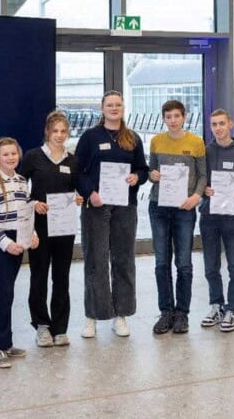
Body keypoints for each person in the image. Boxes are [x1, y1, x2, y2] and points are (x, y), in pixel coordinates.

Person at [75, 90, 148, 338]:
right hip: (96, 206)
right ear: (102, 108)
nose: (114, 108)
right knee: (95, 261)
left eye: (118, 104)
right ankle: (93, 316)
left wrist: (137, 177)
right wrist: (89, 193)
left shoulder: (133, 138)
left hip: (125, 207)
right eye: (110, 105)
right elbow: (78, 171)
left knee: (124, 260)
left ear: (123, 107)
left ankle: (121, 314)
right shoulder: (90, 137)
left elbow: (143, 169)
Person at [19, 111, 79, 347]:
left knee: (62, 277)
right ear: (47, 131)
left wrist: (78, 198)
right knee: (39, 275)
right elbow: (19, 188)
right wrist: (33, 203)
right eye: (55, 131)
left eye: (63, 131)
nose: (59, 135)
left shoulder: (72, 160)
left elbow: (76, 188)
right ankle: (42, 325)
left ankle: (60, 327)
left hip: (64, 227)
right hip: (39, 226)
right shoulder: (33, 157)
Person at [148, 100, 207, 334]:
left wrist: (197, 196)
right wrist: (152, 175)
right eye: (168, 116)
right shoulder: (156, 141)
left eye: (176, 116)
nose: (172, 120)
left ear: (184, 117)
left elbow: (203, 175)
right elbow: (151, 172)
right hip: (159, 208)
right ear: (164, 118)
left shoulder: (196, 142)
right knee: (161, 263)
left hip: (185, 208)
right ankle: (166, 312)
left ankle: (182, 313)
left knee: (183, 263)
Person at [0, 137, 39, 368]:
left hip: (17, 240)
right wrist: (7, 244)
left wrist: (31, 235)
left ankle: (3, 342)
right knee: (4, 291)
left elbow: (25, 213)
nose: (10, 158)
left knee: (6, 293)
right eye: (5, 154)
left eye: (14, 153)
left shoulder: (22, 181)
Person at [199, 109, 234, 333]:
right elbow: (200, 180)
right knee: (211, 265)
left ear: (230, 124)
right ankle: (216, 305)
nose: (218, 128)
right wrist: (205, 190)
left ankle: (232, 309)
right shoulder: (207, 151)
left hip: (232, 217)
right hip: (209, 216)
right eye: (214, 124)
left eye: (222, 123)